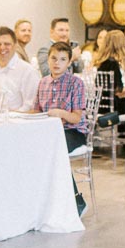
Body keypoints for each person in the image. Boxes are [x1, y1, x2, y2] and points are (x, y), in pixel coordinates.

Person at [35, 41, 89, 217]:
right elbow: (36, 111)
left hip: (73, 132)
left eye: (62, 59)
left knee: (54, 149)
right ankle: (41, 199)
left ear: (69, 63)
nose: (57, 63)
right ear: (48, 60)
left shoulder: (76, 83)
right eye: (53, 58)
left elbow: (76, 117)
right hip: (49, 132)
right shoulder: (42, 82)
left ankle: (76, 199)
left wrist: (60, 113)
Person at [0, 26, 39, 111]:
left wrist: (9, 116)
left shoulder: (28, 71)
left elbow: (31, 106)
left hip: (17, 122)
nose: (2, 48)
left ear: (15, 46)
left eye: (7, 44)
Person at [92, 28, 125, 128]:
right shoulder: (113, 64)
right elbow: (118, 90)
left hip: (101, 105)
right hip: (113, 107)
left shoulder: (103, 63)